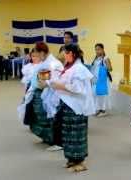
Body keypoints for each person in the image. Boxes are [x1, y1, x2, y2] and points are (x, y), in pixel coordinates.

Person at [40, 44, 95, 172]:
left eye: (65, 53)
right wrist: (49, 83)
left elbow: (77, 89)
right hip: (66, 104)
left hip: (76, 107)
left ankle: (80, 162)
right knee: (67, 134)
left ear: (72, 54)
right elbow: (59, 80)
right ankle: (71, 159)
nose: (63, 55)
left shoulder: (79, 69)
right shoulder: (68, 67)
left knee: (76, 134)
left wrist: (58, 86)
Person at [20, 42, 64, 149]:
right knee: (38, 117)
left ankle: (54, 141)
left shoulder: (51, 64)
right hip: (40, 92)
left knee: (47, 117)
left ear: (43, 52)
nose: (36, 57)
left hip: (48, 94)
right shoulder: (44, 62)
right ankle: (47, 138)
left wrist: (37, 87)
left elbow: (44, 83)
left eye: (38, 54)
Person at [90, 43, 113, 117]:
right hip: (96, 79)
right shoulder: (96, 59)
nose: (97, 51)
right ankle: (99, 109)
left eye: (99, 49)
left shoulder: (106, 58)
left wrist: (106, 65)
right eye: (96, 50)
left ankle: (103, 110)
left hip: (103, 80)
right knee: (96, 94)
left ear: (103, 50)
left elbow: (110, 69)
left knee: (103, 95)